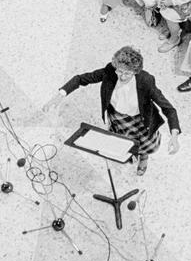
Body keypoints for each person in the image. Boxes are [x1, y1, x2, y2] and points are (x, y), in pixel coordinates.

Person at [47, 44, 180, 174]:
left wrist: (174, 135)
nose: (122, 76)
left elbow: (168, 108)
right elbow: (81, 79)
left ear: (135, 71)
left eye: (127, 73)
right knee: (122, 142)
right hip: (117, 117)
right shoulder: (110, 71)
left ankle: (143, 157)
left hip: (140, 120)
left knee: (144, 144)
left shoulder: (146, 80)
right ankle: (131, 154)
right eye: (119, 71)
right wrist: (60, 95)